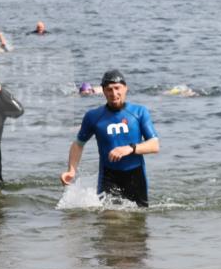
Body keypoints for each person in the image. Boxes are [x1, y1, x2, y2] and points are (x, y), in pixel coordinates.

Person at [61, 69, 159, 207]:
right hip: (108, 176)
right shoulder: (93, 116)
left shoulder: (139, 112)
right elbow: (78, 144)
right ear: (103, 91)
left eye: (117, 88)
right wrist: (71, 170)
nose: (114, 94)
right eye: (109, 89)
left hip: (136, 176)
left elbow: (154, 145)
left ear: (125, 88)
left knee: (138, 222)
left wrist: (130, 148)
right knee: (110, 219)